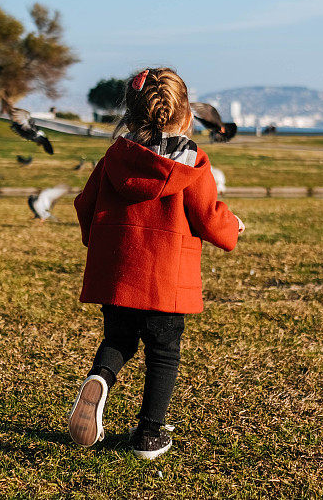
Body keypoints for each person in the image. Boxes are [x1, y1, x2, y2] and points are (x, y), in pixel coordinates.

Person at [69, 67, 244, 460]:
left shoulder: (115, 156)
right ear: (186, 116)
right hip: (166, 282)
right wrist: (233, 227)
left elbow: (85, 204)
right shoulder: (194, 163)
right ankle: (149, 435)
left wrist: (97, 240)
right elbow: (208, 216)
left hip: (119, 276)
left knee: (118, 339)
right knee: (163, 351)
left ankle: (100, 377)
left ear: (130, 115)